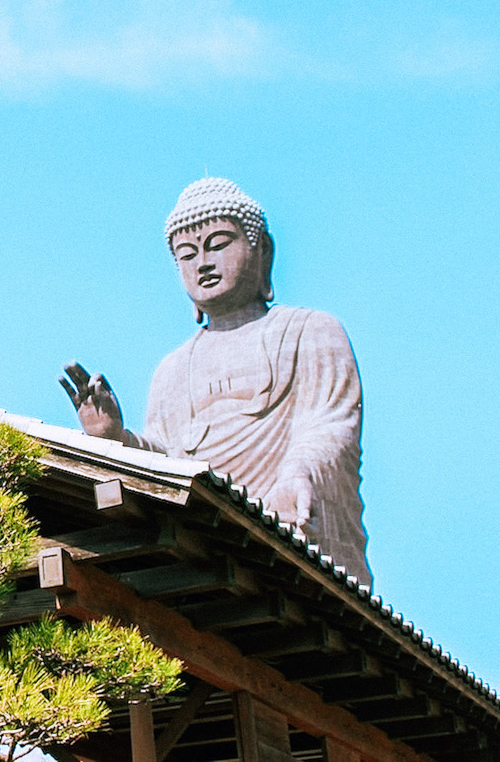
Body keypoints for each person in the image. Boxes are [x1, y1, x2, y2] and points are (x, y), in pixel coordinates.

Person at [60, 177, 371, 584]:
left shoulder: (309, 332)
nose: (203, 263)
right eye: (187, 255)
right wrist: (117, 438)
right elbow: (166, 459)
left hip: (288, 526)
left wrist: (297, 473)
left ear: (263, 253)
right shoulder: (171, 370)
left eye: (219, 244)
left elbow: (329, 427)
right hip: (204, 543)